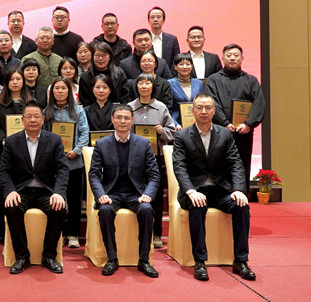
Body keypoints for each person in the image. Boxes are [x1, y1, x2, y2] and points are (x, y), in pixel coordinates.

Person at [172, 92, 254, 282]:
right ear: (193, 111)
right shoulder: (182, 136)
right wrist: (190, 191)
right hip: (194, 191)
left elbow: (235, 163)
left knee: (242, 206)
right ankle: (200, 261)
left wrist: (239, 190)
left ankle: (241, 261)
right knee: (198, 205)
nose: (203, 111)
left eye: (208, 107)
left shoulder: (225, 134)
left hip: (219, 191)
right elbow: (179, 167)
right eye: (199, 107)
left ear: (214, 111)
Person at [88, 105, 160, 277]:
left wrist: (148, 194)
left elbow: (154, 175)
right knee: (105, 211)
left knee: (147, 209)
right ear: (112, 120)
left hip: (136, 194)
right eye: (119, 117)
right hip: (111, 194)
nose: (122, 121)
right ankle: (112, 258)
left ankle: (144, 260)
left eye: (126, 118)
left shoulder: (144, 143)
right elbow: (94, 175)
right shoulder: (101, 144)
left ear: (132, 121)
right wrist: (101, 195)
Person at [0, 101, 69, 274]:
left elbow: (62, 169)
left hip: (46, 191)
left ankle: (49, 256)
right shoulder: (11, 141)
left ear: (43, 119)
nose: (32, 120)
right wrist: (10, 191)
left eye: (36, 116)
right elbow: (4, 171)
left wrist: (59, 193)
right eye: (29, 116)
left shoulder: (54, 140)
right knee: (11, 207)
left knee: (59, 208)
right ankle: (22, 257)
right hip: (21, 191)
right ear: (22, 120)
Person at [127, 73, 177, 249]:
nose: (144, 86)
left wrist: (162, 131)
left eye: (148, 83)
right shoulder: (129, 108)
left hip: (156, 158)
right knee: (135, 193)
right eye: (141, 83)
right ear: (137, 86)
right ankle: (136, 232)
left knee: (156, 197)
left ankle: (156, 234)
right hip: (133, 159)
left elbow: (172, 132)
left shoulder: (161, 107)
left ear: (153, 87)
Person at [205, 44, 266, 185]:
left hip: (243, 133)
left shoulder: (251, 80)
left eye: (236, 55)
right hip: (220, 132)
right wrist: (224, 123)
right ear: (223, 58)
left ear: (242, 58)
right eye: (229, 55)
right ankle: (221, 196)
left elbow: (259, 104)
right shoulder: (213, 80)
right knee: (219, 167)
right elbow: (211, 103)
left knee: (242, 166)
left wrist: (248, 124)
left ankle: (241, 195)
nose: (232, 58)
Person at [43, 77, 89, 249]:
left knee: (74, 201)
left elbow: (84, 133)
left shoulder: (78, 110)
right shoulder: (46, 111)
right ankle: (59, 233)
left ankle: (73, 234)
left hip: (74, 162)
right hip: (53, 164)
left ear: (69, 91)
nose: (60, 91)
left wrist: (76, 150)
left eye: (63, 88)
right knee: (57, 200)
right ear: (52, 92)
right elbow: (43, 135)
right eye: (57, 88)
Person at [0, 68, 32, 230]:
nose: (15, 82)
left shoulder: (30, 103)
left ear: (23, 82)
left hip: (26, 153)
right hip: (4, 152)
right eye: (11, 79)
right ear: (6, 82)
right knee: (3, 191)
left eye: (18, 79)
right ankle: (3, 231)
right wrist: (2, 139)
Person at [78, 42, 126, 106]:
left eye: (103, 55)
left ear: (110, 57)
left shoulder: (119, 73)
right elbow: (85, 100)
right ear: (92, 57)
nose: (100, 58)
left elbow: (125, 96)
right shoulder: (85, 77)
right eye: (97, 55)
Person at [168, 53, 205, 127]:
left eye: (188, 64)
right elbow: (167, 108)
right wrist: (175, 124)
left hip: (197, 123)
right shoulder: (169, 83)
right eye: (181, 64)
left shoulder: (199, 83)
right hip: (176, 123)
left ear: (192, 66)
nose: (184, 67)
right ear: (175, 67)